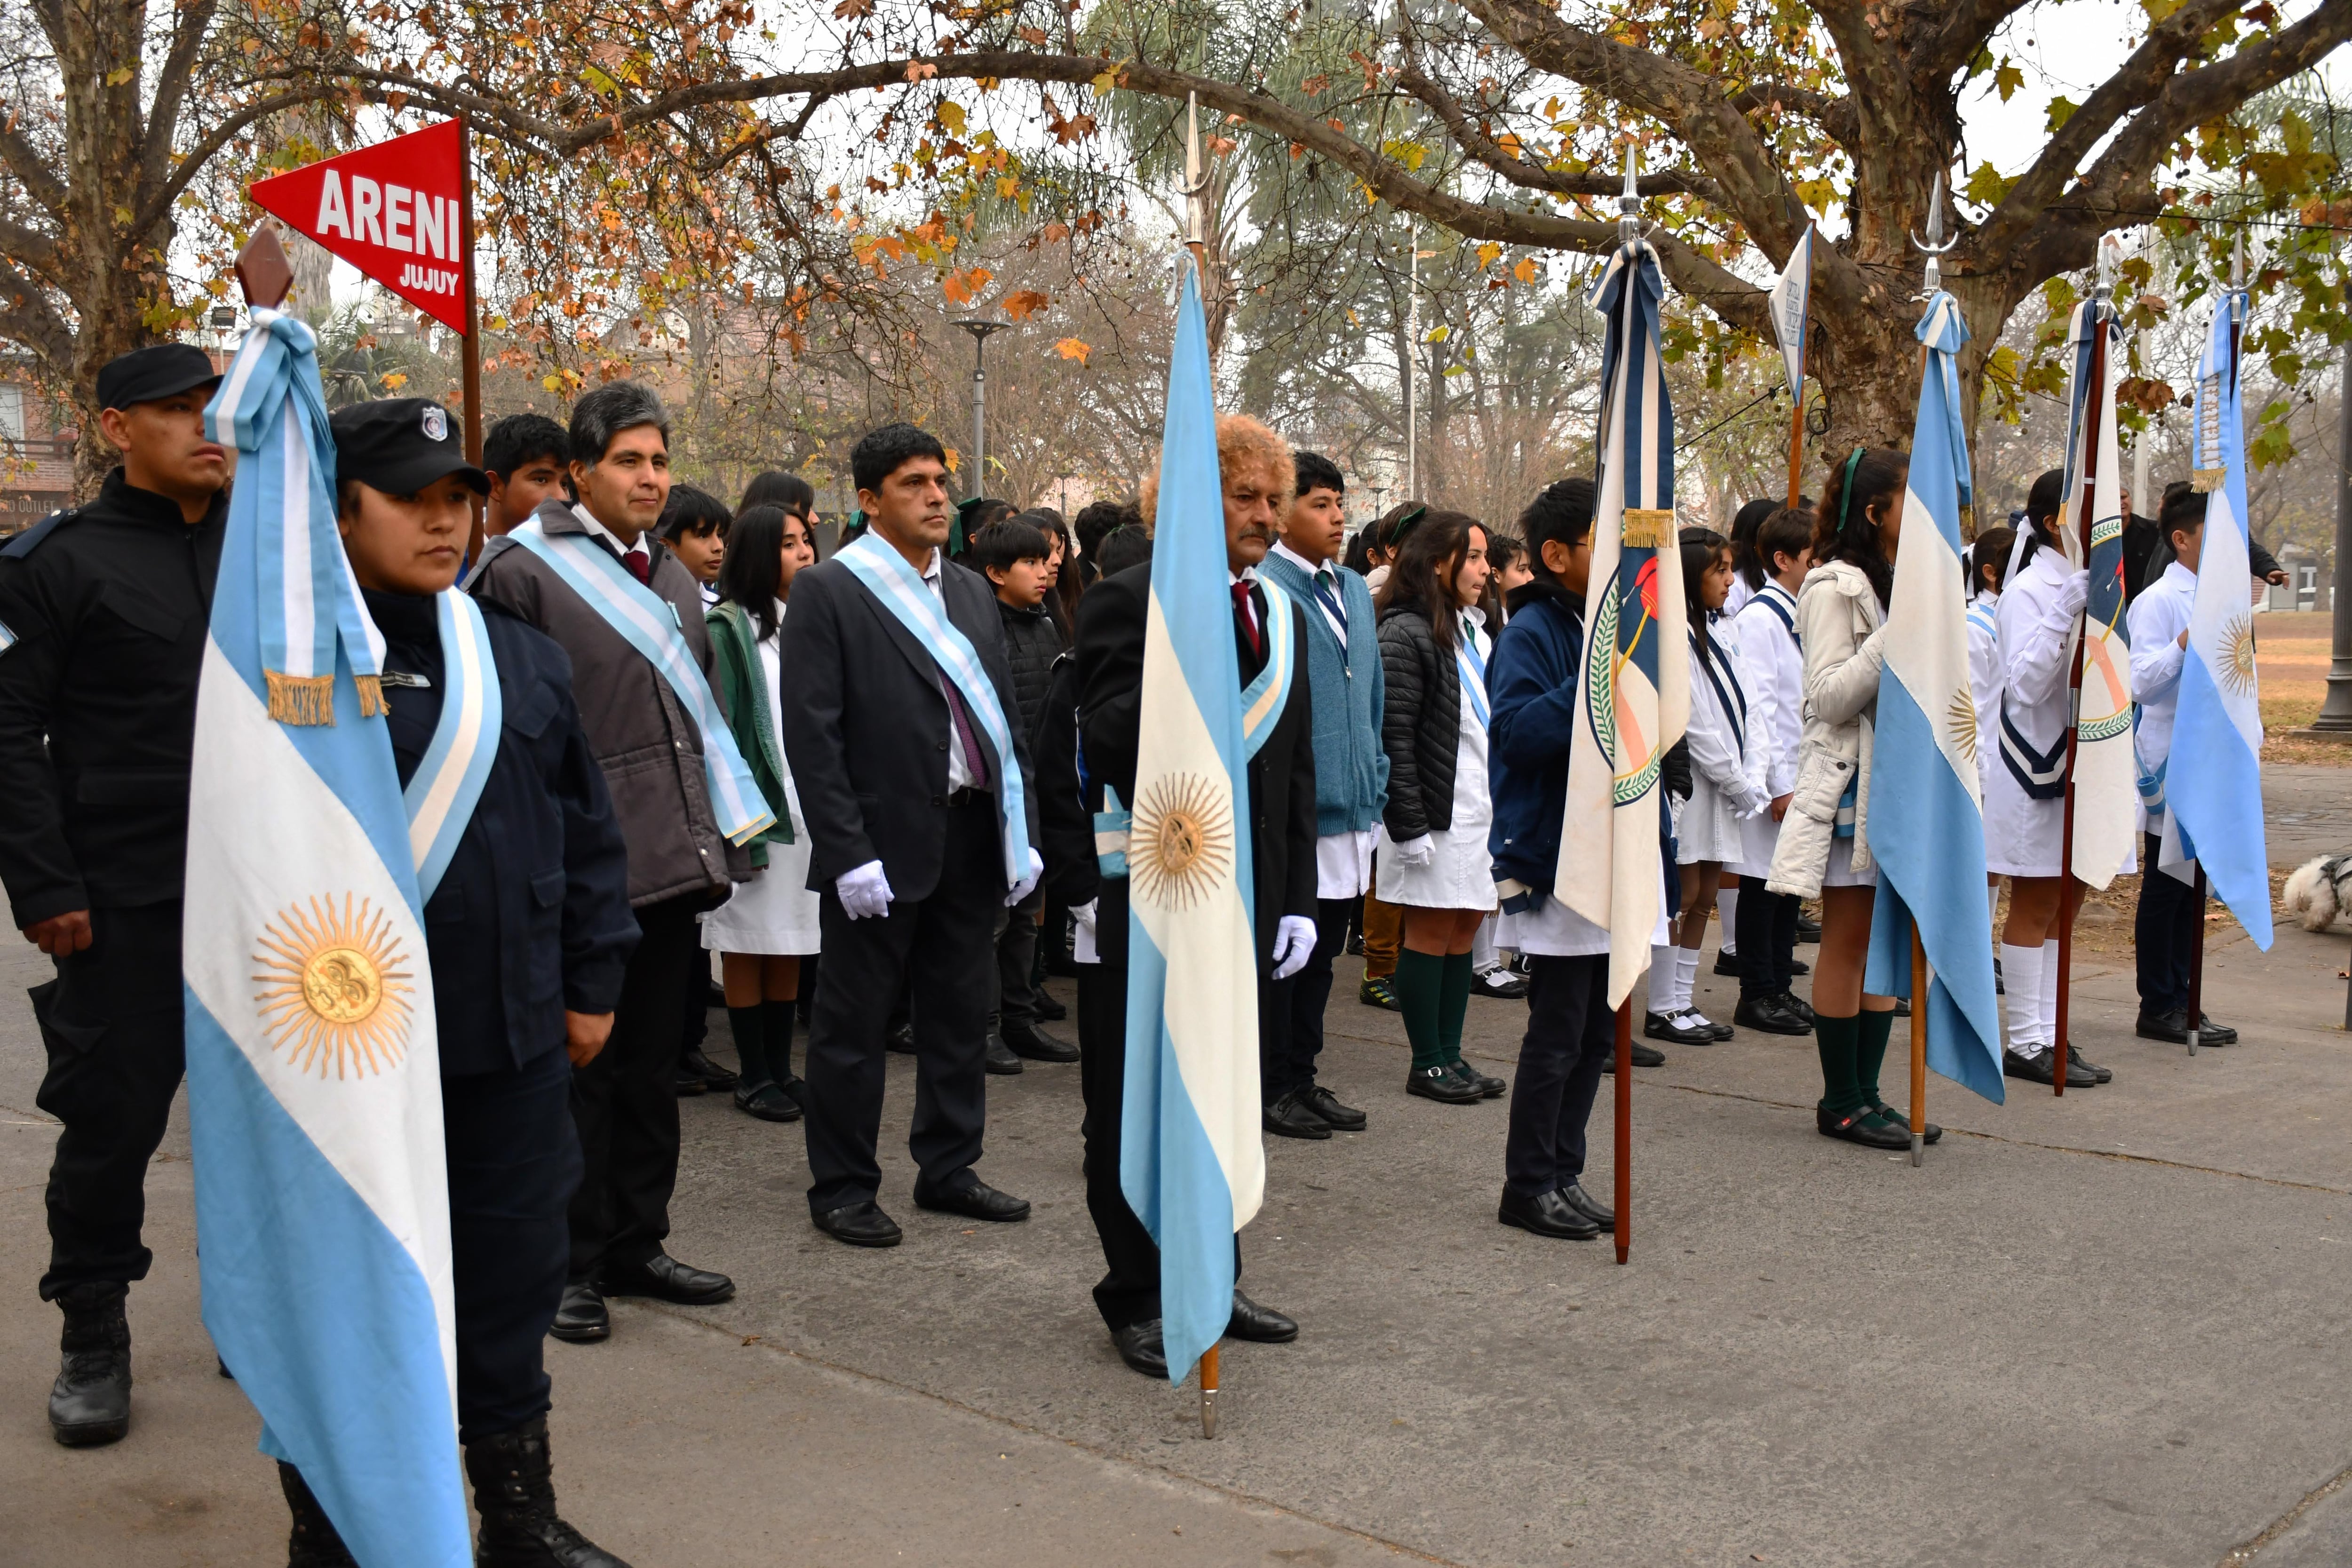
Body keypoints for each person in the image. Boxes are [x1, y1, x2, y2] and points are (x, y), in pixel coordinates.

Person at [296, 397, 639, 1567]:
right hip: (347, 1057)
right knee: (350, 1297)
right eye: (411, 499)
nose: (446, 521)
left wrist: (592, 979)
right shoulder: (290, 660)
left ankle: (518, 1515)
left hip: (511, 1040)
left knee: (510, 1278)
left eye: (459, 497)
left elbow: (587, 833)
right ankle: (339, 1526)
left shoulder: (516, 654)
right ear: (342, 513)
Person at [470, 381, 752, 1342]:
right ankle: (566, 1263)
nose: (649, 478)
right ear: (581, 470)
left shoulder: (669, 575)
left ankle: (638, 1238)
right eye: (629, 461)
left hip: (671, 859)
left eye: (660, 461)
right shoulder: (521, 571)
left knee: (646, 1071)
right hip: (575, 868)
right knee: (576, 1073)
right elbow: (506, 735)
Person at [0, 344, 225, 1446]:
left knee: (267, 1122)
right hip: (125, 894)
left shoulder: (269, 554)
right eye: (175, 412)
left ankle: (259, 1312)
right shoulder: (54, 563)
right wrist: (44, 881)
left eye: (212, 409)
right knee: (110, 1118)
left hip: (265, 898)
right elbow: (7, 729)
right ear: (115, 430)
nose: (203, 428)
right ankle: (93, 1327)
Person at [1073, 411, 1312, 1377]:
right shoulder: (1130, 600)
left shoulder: (1278, 606)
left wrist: (1296, 894)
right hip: (1154, 890)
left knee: (1225, 1084)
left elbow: (1289, 769)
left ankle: (1212, 1269)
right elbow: (1103, 737)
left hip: (1249, 894)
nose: (1262, 515)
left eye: (1270, 498)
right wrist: (1191, 642)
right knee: (1132, 1091)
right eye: (1241, 496)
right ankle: (1134, 1291)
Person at [779, 423, 1041, 1248]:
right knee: (853, 1029)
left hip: (968, 834)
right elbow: (812, 736)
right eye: (914, 483)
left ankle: (950, 1165)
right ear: (868, 499)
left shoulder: (967, 590)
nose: (936, 496)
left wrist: (1019, 826)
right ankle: (845, 1185)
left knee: (963, 1013)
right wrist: (847, 851)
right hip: (879, 844)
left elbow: (1001, 719)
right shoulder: (830, 590)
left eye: (940, 480)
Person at [1766, 448, 1931, 1151]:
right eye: (1907, 500)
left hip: (1897, 784)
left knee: (1882, 941)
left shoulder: (1894, 579)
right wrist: (1899, 632)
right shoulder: (1833, 584)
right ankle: (1841, 1100)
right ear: (1874, 511)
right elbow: (1828, 695)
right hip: (1849, 789)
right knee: (1849, 940)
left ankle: (1869, 1093)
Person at [1486, 478, 1613, 1241]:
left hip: (1609, 853)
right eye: (1605, 542)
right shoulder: (1534, 629)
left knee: (1598, 1034)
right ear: (1556, 553)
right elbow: (1521, 733)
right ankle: (1527, 1182)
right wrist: (1597, 675)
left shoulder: (1609, 621)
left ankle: (1566, 1168)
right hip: (1559, 855)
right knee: (1559, 1029)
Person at [1256, 450, 1383, 1138]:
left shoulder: (1355, 590)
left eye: (1341, 504)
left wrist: (1379, 776)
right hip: (1297, 813)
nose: (1338, 518)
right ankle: (1271, 1081)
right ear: (1282, 511)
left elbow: (1372, 697)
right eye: (1321, 504)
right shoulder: (1267, 588)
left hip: (1353, 810)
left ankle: (1303, 1075)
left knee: (1326, 953)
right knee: (1288, 952)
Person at [1986, 470, 2118, 1087]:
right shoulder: (2031, 590)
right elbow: (2026, 684)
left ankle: (2052, 1029)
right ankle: (2025, 1039)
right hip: (2037, 762)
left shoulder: (2095, 582)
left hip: (2085, 763)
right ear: (2050, 522)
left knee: (2070, 902)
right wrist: (2065, 613)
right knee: (2037, 902)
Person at [1375, 509, 1506, 1105]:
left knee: (1463, 929)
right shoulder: (1405, 631)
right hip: (1431, 808)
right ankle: (1425, 1062)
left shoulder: (1472, 628)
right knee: (1429, 932)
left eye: (1484, 558)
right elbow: (1392, 733)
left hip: (1477, 805)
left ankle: (1451, 1055)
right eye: (1472, 557)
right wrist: (1407, 823)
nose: (1485, 569)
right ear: (1436, 564)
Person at [703, 503, 826, 1123]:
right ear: (756, 553)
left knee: (791, 939)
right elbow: (722, 724)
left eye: (807, 542)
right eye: (788, 544)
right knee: (748, 941)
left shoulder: (806, 620)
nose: (804, 553)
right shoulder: (728, 628)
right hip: (755, 809)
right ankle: (753, 1074)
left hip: (807, 806)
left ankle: (781, 1067)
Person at [2126, 484, 2241, 1046]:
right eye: (2212, 535)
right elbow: (2140, 682)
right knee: (2165, 882)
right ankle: (2159, 1002)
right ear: (2181, 539)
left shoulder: (2221, 598)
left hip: (2211, 757)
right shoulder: (2158, 602)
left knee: (2194, 883)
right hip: (2170, 757)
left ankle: (2185, 995)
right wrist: (2183, 642)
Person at [1649, 527, 1768, 1046]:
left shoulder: (1725, 631)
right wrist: (1735, 777)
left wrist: (1754, 774)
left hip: (1728, 783)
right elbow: (1690, 719)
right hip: (1692, 780)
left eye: (1729, 569)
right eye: (1717, 570)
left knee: (1707, 895)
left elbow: (1752, 706)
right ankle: (1660, 1004)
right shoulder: (1670, 635)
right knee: (1683, 890)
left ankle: (1682, 998)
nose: (1728, 580)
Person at [969, 516, 1079, 1068]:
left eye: (1046, 560)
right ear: (993, 573)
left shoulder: (1044, 623)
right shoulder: (978, 627)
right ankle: (983, 1027)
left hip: (1034, 788)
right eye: (1031, 563)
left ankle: (1019, 1018)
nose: (1045, 572)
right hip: (994, 792)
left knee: (1025, 914)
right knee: (991, 917)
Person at [1725, 506, 1814, 1036]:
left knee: (1789, 889)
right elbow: (1759, 708)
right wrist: (1779, 784)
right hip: (1773, 780)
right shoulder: (1759, 619)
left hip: (1802, 775)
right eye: (1812, 556)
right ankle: (1756, 991)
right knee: (1762, 888)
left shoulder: (1797, 615)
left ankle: (1779, 984)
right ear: (1781, 560)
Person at [1967, 523, 2016, 995]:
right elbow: (1974, 711)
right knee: (1976, 863)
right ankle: (1967, 950)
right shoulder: (1973, 626)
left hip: (2008, 766)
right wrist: (1981, 777)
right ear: (1989, 573)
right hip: (1983, 765)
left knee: (1994, 862)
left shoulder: (2010, 620)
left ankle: (1979, 947)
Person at [482, 412, 570, 538]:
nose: (562, 497)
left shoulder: (576, 555)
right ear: (495, 486)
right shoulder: (460, 555)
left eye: (564, 484)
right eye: (542, 480)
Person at [657, 483, 730, 606]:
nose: (719, 547)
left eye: (719, 535)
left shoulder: (723, 610)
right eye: (703, 536)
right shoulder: (647, 607)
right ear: (667, 546)